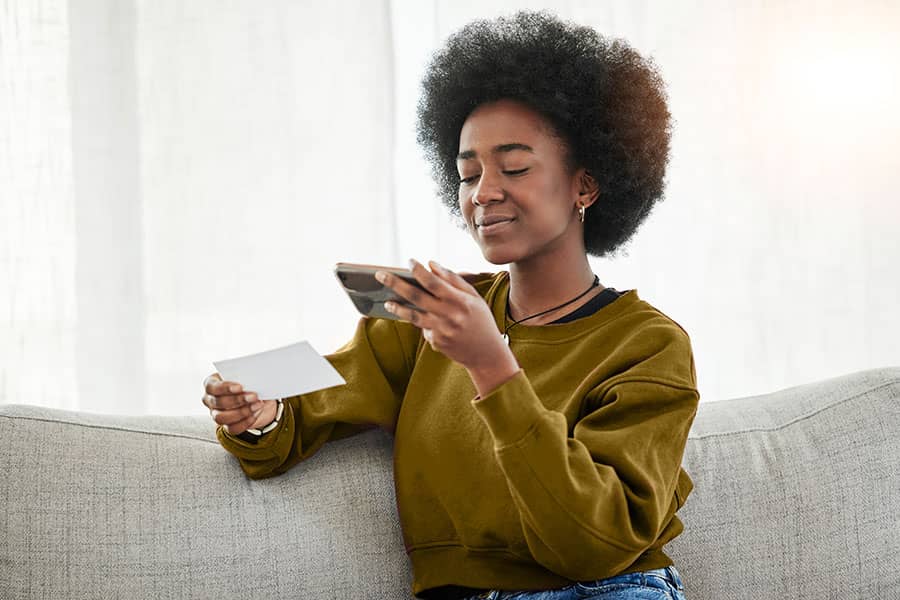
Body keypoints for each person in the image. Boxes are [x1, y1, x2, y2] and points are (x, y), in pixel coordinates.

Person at [202, 10, 697, 600]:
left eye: (514, 167)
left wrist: (492, 368)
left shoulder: (648, 345)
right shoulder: (429, 319)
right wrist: (260, 414)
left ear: (585, 185)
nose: (483, 193)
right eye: (467, 175)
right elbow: (308, 408)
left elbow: (595, 543)